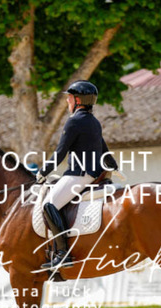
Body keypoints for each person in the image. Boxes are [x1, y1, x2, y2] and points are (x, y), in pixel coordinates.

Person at [36, 80, 118, 270]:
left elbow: (60, 152)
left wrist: (42, 172)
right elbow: (103, 148)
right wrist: (113, 165)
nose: (67, 100)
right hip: (93, 173)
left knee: (49, 204)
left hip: (79, 174)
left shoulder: (74, 121)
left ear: (78, 100)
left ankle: (62, 253)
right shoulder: (94, 122)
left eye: (70, 97)